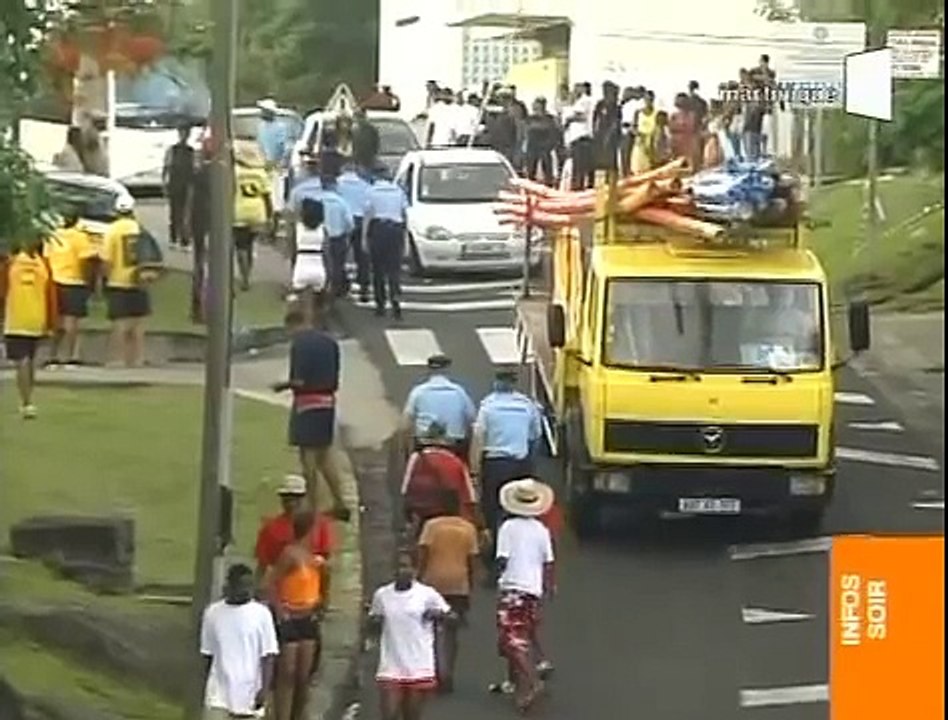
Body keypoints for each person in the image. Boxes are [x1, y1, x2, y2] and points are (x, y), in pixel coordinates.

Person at [271, 307, 352, 522]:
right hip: (327, 402)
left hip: (307, 403)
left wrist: (281, 386)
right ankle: (340, 502)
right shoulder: (330, 342)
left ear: (292, 325)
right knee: (325, 456)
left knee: (308, 457)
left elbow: (299, 380)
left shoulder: (300, 344)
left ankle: (311, 506)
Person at [492, 479, 556, 713]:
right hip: (532, 589)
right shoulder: (542, 530)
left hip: (512, 587)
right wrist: (549, 587)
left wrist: (491, 577)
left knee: (511, 640)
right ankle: (514, 682)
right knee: (522, 635)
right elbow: (548, 563)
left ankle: (532, 682)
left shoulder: (508, 528)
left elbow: (503, 558)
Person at [367, 549, 454, 720]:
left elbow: (452, 617)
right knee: (389, 715)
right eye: (399, 566)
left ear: (415, 570)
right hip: (391, 665)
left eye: (406, 566)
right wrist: (374, 622)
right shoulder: (382, 595)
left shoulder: (427, 594)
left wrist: (437, 615)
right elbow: (373, 623)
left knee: (412, 715)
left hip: (418, 666)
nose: (402, 571)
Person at [469, 368, 542, 573]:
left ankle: (495, 558)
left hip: (496, 464)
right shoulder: (527, 406)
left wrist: (474, 469)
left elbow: (478, 439)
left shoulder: (488, 407)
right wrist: (531, 468)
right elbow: (535, 438)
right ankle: (519, 554)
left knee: (492, 510)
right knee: (520, 510)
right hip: (520, 463)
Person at [266, 511, 327, 720]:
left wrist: (321, 603)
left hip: (308, 617)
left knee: (303, 676)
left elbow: (320, 585)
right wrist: (281, 611)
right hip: (291, 617)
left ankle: (299, 715)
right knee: (287, 674)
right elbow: (272, 583)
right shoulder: (290, 554)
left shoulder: (313, 557)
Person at [417, 491, 480, 691]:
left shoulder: (431, 526)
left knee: (430, 631)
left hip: (432, 583)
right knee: (452, 633)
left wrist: (419, 578)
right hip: (458, 584)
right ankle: (449, 673)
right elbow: (472, 561)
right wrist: (470, 585)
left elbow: (423, 555)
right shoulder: (468, 529)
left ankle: (434, 671)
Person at [200, 563, 279, 720]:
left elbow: (268, 655)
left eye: (249, 586)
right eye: (242, 585)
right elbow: (207, 653)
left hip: (249, 694)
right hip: (218, 695)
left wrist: (264, 689)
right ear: (230, 585)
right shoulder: (213, 613)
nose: (246, 590)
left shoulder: (262, 614)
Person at [254, 474, 334, 592]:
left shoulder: (321, 525)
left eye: (296, 498)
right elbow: (262, 566)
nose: (291, 503)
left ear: (304, 498)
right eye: (287, 498)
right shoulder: (270, 528)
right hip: (282, 594)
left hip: (311, 593)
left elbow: (327, 564)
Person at [3, 237, 53, 419]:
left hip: (16, 320)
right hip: (37, 319)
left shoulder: (11, 264)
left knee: (22, 361)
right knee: (29, 361)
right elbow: (51, 293)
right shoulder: (43, 265)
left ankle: (26, 402)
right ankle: (28, 400)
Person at [402, 421, 479, 534]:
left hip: (423, 511)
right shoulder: (456, 461)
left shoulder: (416, 457)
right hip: (448, 512)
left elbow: (405, 487)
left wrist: (407, 513)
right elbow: (469, 495)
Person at [100, 195, 150, 367]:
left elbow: (107, 260)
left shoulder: (112, 230)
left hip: (118, 282)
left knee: (119, 323)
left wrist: (103, 279)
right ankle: (137, 359)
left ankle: (117, 359)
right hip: (139, 280)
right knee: (138, 324)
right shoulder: (139, 228)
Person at [43, 210, 97, 366]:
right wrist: (90, 282)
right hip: (75, 282)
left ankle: (53, 355)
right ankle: (70, 355)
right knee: (72, 322)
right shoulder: (80, 237)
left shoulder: (53, 236)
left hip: (55, 281)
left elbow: (46, 259)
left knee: (56, 322)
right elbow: (86, 260)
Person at [402, 354, 476, 457]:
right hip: (453, 446)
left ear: (429, 370)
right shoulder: (459, 392)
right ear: (447, 369)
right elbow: (471, 419)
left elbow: (407, 422)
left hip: (425, 445)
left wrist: (408, 451)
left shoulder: (418, 392)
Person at [363, 170, 408, 319]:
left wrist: (364, 237)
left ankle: (380, 305)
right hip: (395, 230)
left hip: (379, 229)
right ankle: (395, 300)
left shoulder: (371, 191)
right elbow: (404, 212)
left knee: (378, 269)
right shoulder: (398, 191)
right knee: (394, 269)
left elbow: (368, 215)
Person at [313, 152, 355, 302]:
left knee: (321, 264)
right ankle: (334, 291)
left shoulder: (315, 200)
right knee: (338, 265)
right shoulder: (340, 202)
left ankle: (321, 290)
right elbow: (349, 223)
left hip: (319, 237)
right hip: (338, 238)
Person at [233, 141, 273, 291]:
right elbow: (267, 196)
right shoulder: (261, 174)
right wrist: (269, 216)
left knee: (240, 246)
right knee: (249, 245)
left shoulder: (234, 173)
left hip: (239, 211)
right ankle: (247, 273)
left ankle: (244, 277)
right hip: (257, 212)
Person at [335, 165, 373, 302]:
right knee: (362, 256)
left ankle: (340, 286)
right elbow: (369, 206)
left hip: (343, 220)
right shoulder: (365, 186)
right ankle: (364, 287)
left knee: (339, 256)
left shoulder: (338, 184)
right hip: (360, 220)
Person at [290, 198, 328, 322]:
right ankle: (316, 327)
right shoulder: (323, 230)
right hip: (318, 266)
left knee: (304, 306)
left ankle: (307, 328)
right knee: (317, 306)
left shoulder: (297, 229)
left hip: (302, 265)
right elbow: (327, 253)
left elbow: (292, 251)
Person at [162, 123, 195, 250]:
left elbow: (194, 168)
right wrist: (164, 182)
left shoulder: (191, 151)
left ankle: (184, 240)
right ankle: (174, 238)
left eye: (186, 133)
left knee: (186, 213)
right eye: (182, 133)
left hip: (187, 184)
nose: (184, 136)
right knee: (175, 213)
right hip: (175, 183)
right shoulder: (172, 150)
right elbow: (166, 167)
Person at [190, 139, 212, 322]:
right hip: (209, 224)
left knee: (200, 266)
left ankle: (198, 308)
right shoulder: (220, 173)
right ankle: (203, 310)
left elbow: (191, 198)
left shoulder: (199, 173)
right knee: (206, 268)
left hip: (200, 222)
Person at [565, 82, 594, 190]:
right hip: (577, 138)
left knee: (579, 168)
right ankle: (578, 187)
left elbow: (581, 116)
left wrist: (568, 119)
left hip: (582, 137)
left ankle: (578, 188)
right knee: (578, 167)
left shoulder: (584, 101)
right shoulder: (578, 102)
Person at [524, 97, 559, 186]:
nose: (534, 106)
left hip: (545, 147)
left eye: (537, 104)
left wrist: (550, 145)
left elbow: (554, 133)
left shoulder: (549, 119)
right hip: (532, 147)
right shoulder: (530, 119)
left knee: (547, 169)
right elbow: (525, 132)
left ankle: (548, 185)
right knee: (530, 169)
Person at [592, 81, 622, 174]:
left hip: (612, 136)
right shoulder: (600, 104)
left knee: (611, 160)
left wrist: (608, 135)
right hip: (600, 133)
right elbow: (595, 118)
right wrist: (595, 130)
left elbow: (615, 122)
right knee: (600, 159)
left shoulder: (616, 107)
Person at [256, 98, 290, 171]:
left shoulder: (280, 127)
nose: (261, 112)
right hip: (261, 163)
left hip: (275, 165)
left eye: (263, 111)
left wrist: (276, 162)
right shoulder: (261, 126)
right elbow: (260, 144)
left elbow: (281, 146)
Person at [669, 93, 700, 170]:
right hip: (677, 144)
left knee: (690, 169)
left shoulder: (692, 115)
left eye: (683, 100)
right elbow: (670, 130)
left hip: (690, 146)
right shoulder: (673, 115)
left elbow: (696, 130)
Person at [630, 91, 657, 174]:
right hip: (640, 143)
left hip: (652, 144)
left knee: (650, 170)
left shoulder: (657, 113)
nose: (648, 101)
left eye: (651, 99)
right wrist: (638, 134)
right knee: (638, 170)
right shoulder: (638, 113)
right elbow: (633, 128)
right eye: (647, 99)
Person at [619, 87, 644, 177]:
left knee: (628, 155)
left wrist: (633, 128)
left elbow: (635, 117)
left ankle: (627, 173)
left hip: (630, 130)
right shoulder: (623, 105)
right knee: (624, 155)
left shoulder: (635, 104)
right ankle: (625, 173)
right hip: (623, 130)